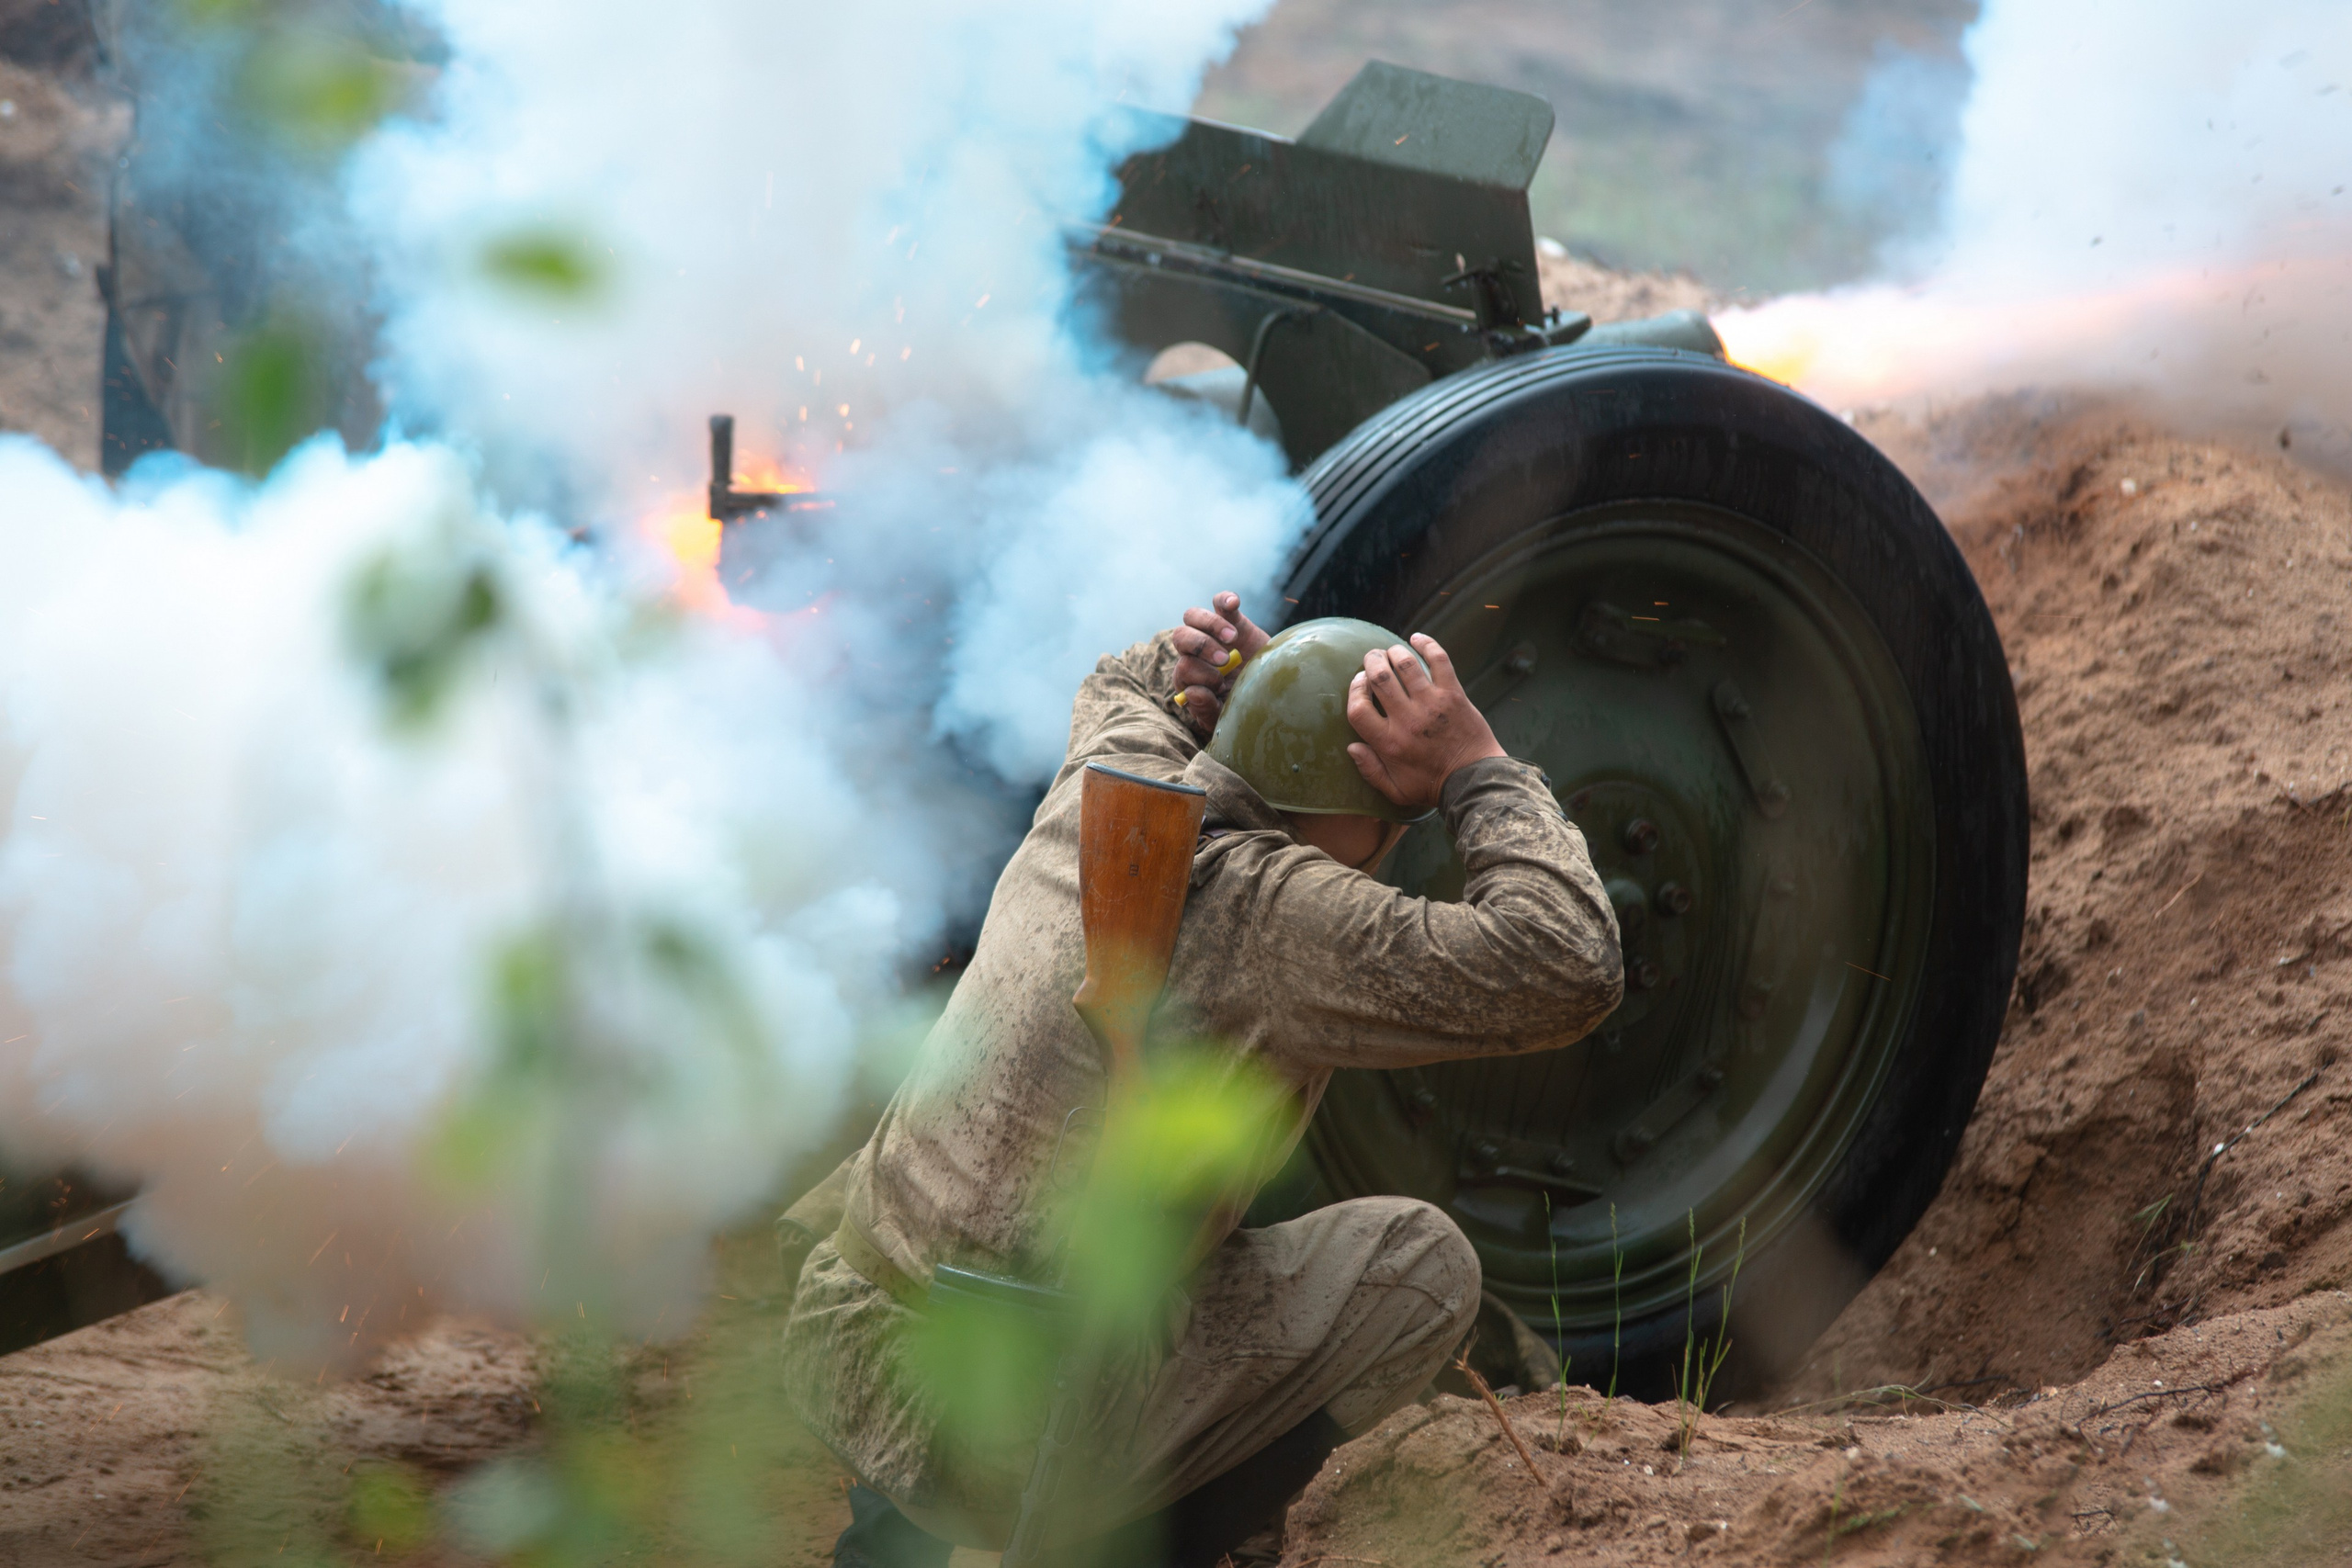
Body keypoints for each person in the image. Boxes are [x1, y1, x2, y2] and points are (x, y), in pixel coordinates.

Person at [779, 593, 1623, 1566]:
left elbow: (1125, 674)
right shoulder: (1280, 915)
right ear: (1360, 814)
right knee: (1420, 1266)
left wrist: (1238, 680)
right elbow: (1569, 961)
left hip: (850, 1335)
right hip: (1003, 1427)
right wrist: (1478, 772)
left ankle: (913, 1531)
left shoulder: (1115, 764)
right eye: (1392, 830)